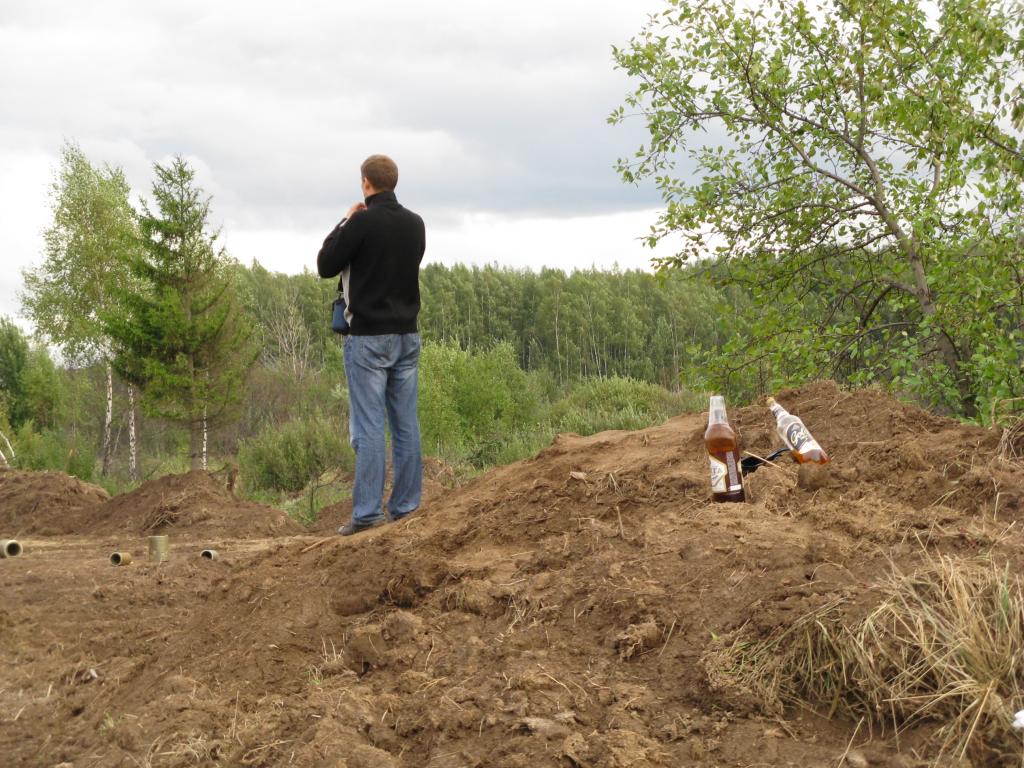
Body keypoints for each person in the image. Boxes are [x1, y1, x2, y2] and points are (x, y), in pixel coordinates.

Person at [317, 154, 426, 536]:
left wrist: (346, 220)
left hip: (368, 339)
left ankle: (367, 514)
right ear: (394, 182)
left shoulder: (361, 222)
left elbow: (326, 264)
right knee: (406, 424)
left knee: (369, 427)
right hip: (407, 335)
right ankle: (406, 507)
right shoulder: (416, 223)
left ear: (366, 183)